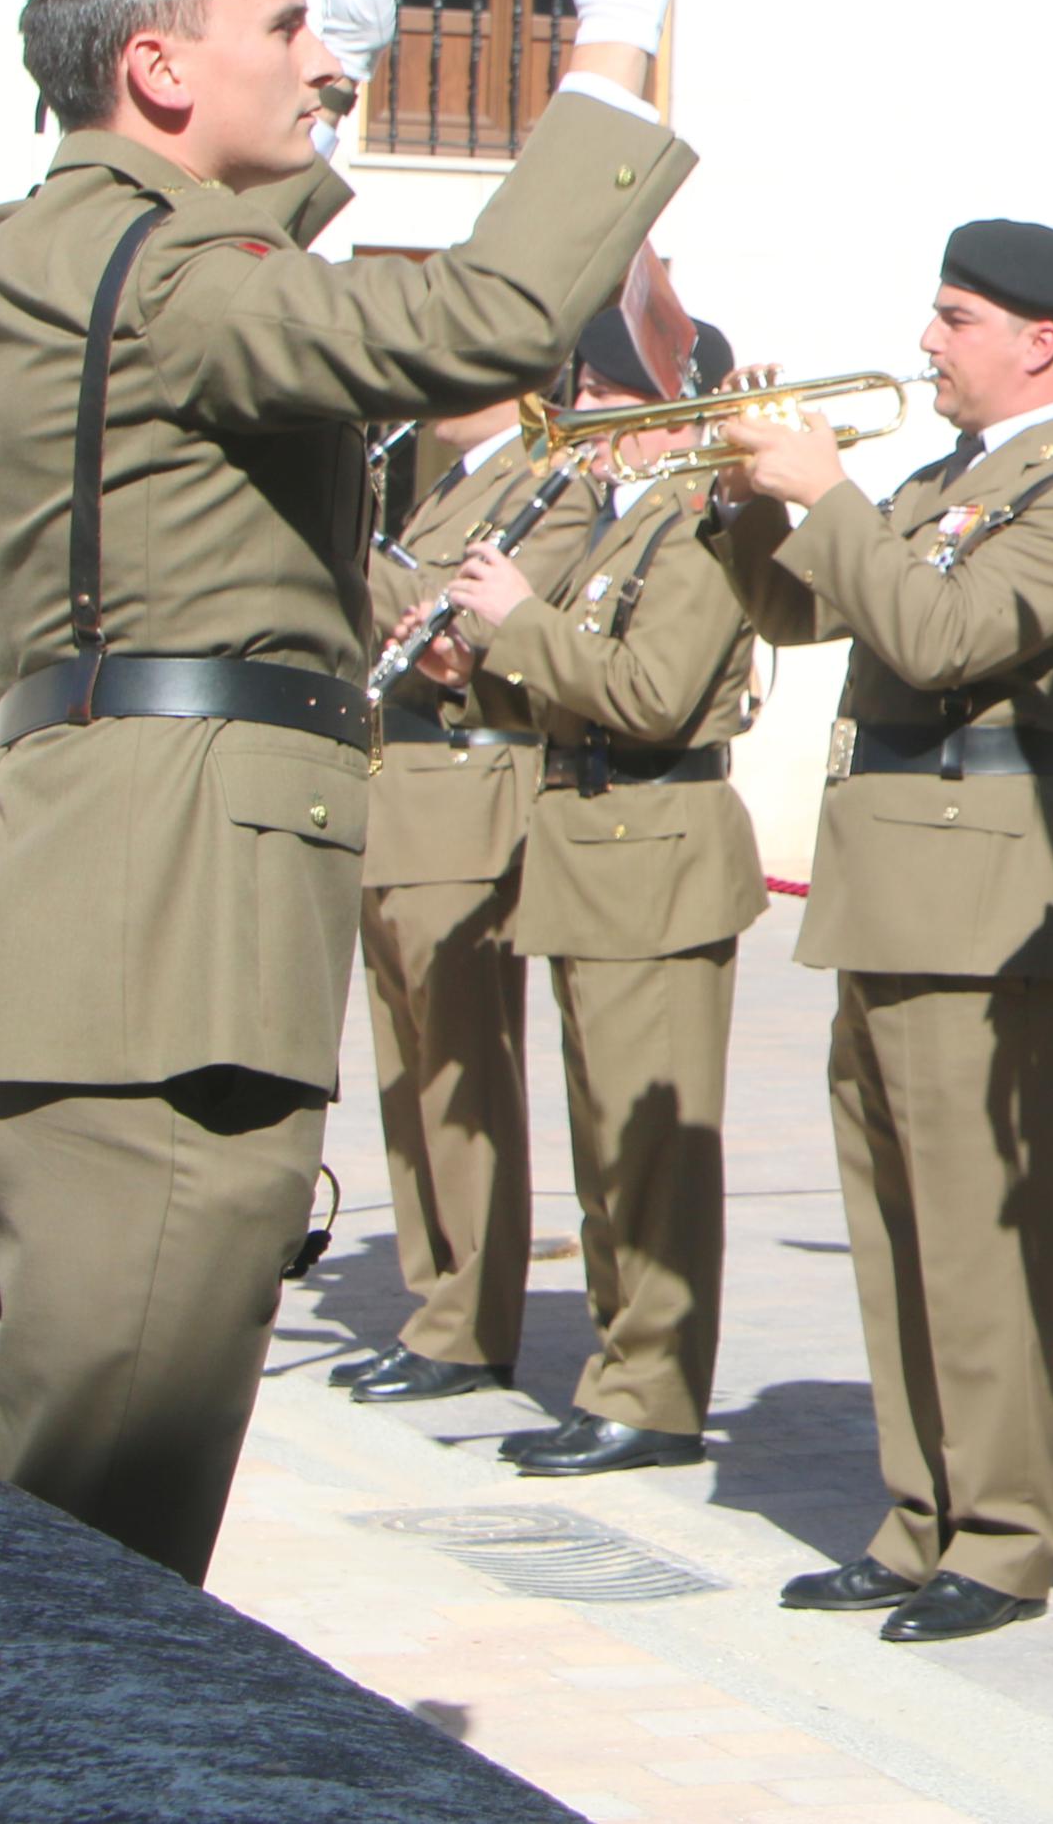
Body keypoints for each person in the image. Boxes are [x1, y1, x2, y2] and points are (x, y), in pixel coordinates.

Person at [0, 0, 688, 1581]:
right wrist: (612, 54)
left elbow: (257, 301)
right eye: (289, 28)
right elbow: (478, 321)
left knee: (7, 1543)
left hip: (73, 914)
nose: (326, 62)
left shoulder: (65, 250)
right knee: (99, 1564)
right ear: (162, 74)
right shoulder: (163, 275)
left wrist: (326, 115)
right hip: (159, 944)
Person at [708, 221, 1053, 1642]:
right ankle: (916, 1511)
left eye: (954, 317)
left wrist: (824, 488)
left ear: (1038, 340)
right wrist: (746, 492)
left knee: (975, 1232)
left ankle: (1001, 1533)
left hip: (986, 894)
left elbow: (947, 639)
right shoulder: (947, 475)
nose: (928, 339)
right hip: (890, 881)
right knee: (893, 1227)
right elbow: (803, 602)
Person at [454, 307, 769, 1478]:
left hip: (657, 853)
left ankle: (655, 1387)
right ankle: (620, 1367)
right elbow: (564, 692)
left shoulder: (692, 528)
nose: (576, 412)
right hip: (595, 850)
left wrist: (518, 621)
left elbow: (647, 693)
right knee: (604, 1147)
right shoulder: (617, 523)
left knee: (651, 1152)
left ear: (651, 404)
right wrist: (475, 661)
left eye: (594, 390)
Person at [334, 390, 596, 1405]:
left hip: (466, 788)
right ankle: (431, 1298)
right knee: (408, 1081)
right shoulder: (444, 480)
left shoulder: (547, 480)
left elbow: (461, 640)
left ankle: (469, 1320)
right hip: (400, 794)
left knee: (459, 1078)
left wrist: (343, 527)